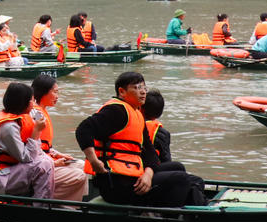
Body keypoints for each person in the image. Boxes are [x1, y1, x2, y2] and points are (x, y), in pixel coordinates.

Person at [74, 71, 207, 207]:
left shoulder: (136, 114)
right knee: (181, 179)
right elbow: (83, 130)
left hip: (131, 177)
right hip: (115, 184)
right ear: (122, 91)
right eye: (137, 88)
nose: (143, 92)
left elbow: (150, 154)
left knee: (178, 167)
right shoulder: (116, 110)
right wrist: (94, 161)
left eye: (144, 87)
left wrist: (148, 175)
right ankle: (166, 217)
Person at [0, 82, 55, 202]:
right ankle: (41, 207)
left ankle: (40, 203)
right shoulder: (9, 127)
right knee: (45, 164)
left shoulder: (18, 117)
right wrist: (36, 132)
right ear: (24, 103)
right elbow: (26, 157)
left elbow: (31, 152)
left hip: (3, 171)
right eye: (31, 101)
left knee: (46, 160)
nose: (33, 105)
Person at [28, 74, 88, 201]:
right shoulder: (35, 114)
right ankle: (62, 205)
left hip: (46, 159)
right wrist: (54, 163)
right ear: (43, 92)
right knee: (78, 175)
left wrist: (57, 154)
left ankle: (77, 201)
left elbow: (44, 146)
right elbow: (30, 151)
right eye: (55, 92)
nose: (57, 96)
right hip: (40, 166)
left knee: (83, 166)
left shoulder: (41, 111)